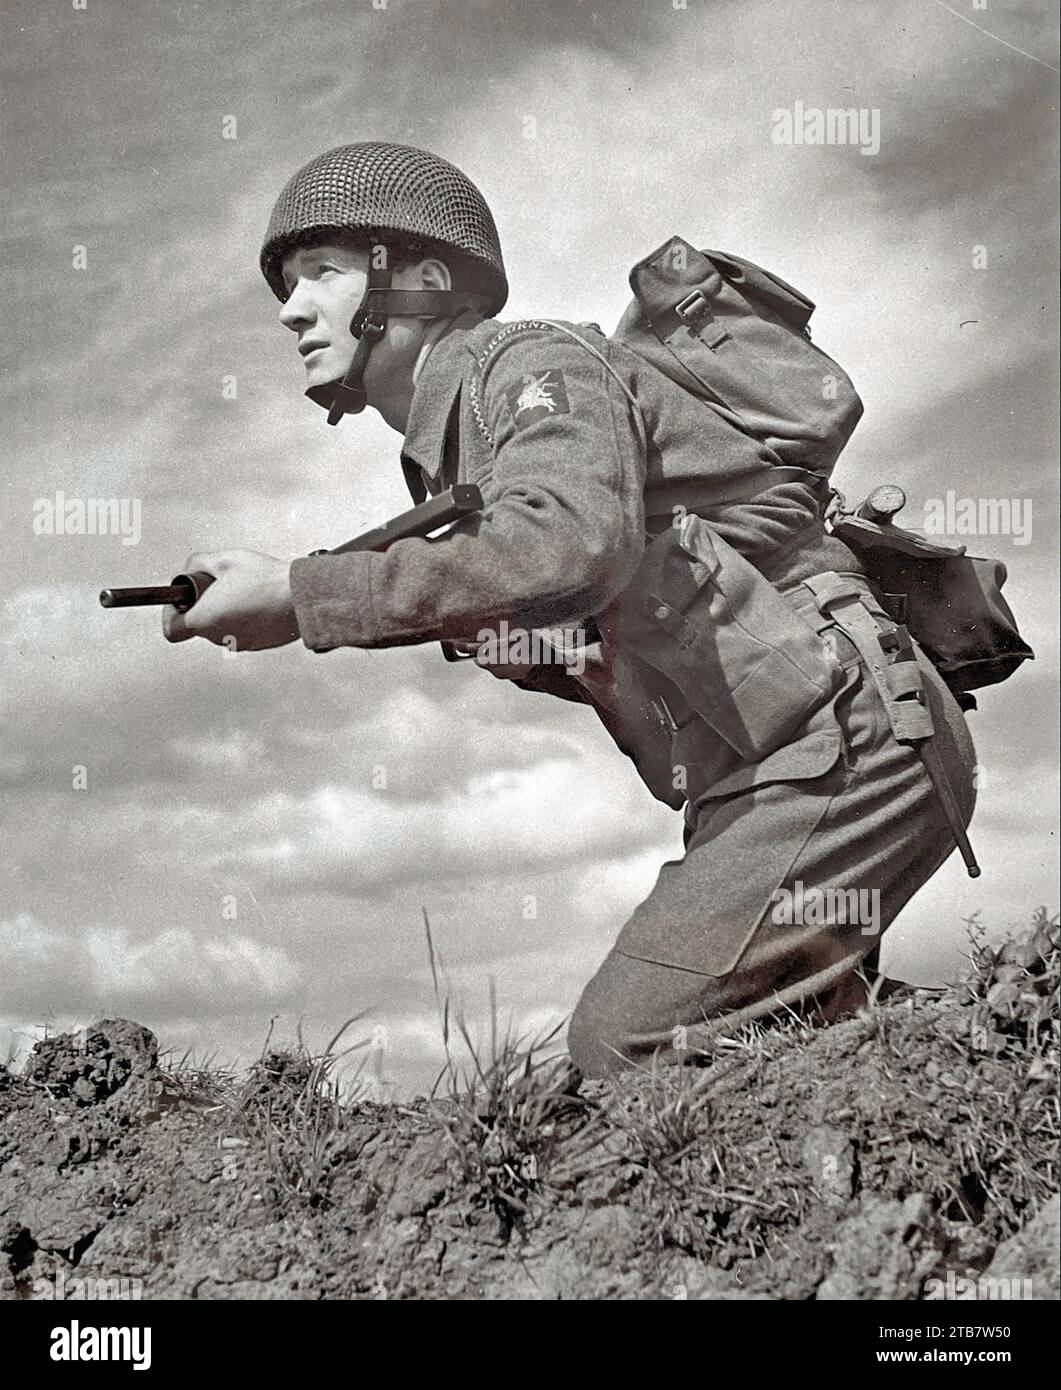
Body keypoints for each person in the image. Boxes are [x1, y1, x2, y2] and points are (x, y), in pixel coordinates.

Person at [163, 142, 977, 1077]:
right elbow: (578, 600)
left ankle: (1002, 1036)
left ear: (423, 281)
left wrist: (304, 596)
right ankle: (993, 1043)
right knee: (766, 1037)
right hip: (777, 747)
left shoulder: (530, 365)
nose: (290, 307)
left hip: (843, 735)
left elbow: (567, 545)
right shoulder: (454, 443)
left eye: (323, 273)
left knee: (629, 1044)